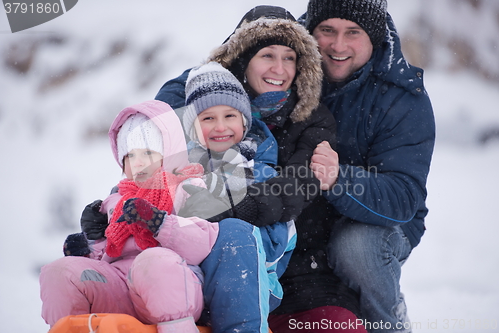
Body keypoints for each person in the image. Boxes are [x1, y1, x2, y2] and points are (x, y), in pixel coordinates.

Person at [155, 5, 366, 332]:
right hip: (196, 248)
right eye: (267, 55)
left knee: (341, 326)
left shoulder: (313, 118)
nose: (280, 69)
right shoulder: (207, 105)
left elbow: (298, 184)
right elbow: (154, 156)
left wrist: (234, 209)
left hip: (297, 266)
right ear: (243, 59)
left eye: (290, 57)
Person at [304, 0, 436, 332]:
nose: (338, 45)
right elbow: (214, 74)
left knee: (355, 247)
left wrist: (339, 180)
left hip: (381, 223)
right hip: (301, 211)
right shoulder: (284, 50)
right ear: (311, 28)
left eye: (353, 33)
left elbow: (404, 197)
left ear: (373, 36)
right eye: (327, 31)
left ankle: (388, 322)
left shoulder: (401, 95)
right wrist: (159, 120)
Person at [40, 100, 218, 333]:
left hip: (173, 286)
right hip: (120, 288)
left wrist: (160, 223)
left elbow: (203, 244)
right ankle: (73, 328)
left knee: (152, 262)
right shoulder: (116, 199)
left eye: (148, 152)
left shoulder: (189, 187)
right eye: (130, 155)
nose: (139, 162)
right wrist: (89, 245)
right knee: (61, 271)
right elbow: (108, 255)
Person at [179, 61, 298, 314]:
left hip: (252, 279)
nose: (220, 127)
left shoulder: (260, 171)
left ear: (244, 123)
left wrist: (218, 218)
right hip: (189, 276)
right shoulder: (180, 168)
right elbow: (147, 190)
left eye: (229, 116)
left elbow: (275, 242)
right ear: (193, 128)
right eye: (208, 118)